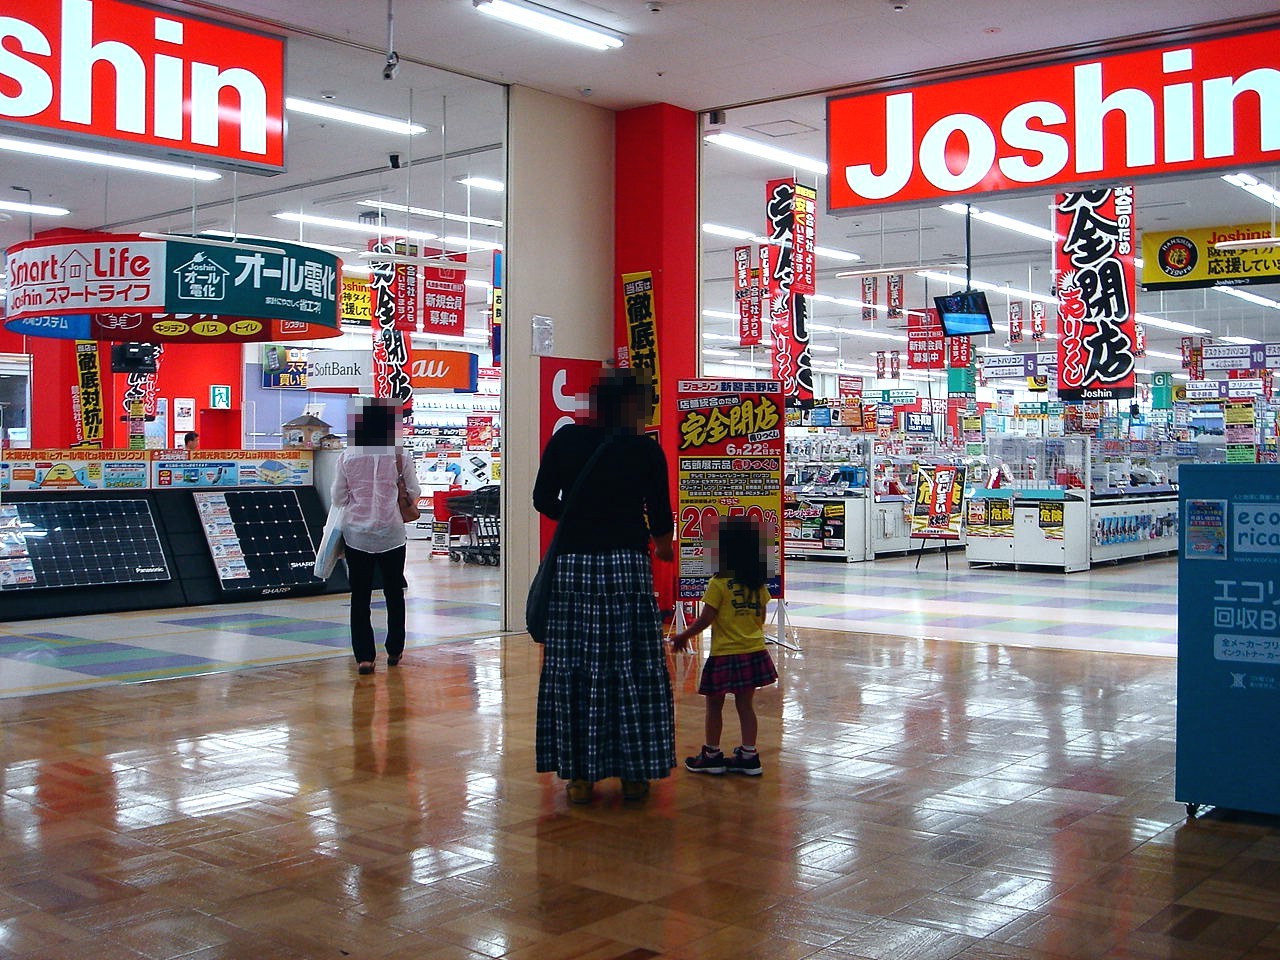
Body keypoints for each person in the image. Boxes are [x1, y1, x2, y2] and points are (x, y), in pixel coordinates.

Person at [532, 369, 676, 804]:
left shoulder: (567, 441)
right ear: (631, 405)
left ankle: (579, 776)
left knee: (575, 667)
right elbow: (662, 519)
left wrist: (579, 518)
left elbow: (542, 498)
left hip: (574, 568)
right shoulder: (644, 451)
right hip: (627, 570)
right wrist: (662, 547)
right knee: (631, 666)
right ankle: (636, 773)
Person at [670, 515, 778, 776]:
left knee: (714, 705)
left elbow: (707, 618)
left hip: (725, 654)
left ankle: (712, 755)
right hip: (753, 650)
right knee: (745, 705)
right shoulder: (757, 582)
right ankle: (749, 755)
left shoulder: (718, 583)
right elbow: (761, 617)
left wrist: (683, 636)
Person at [331, 397, 420, 676]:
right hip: (392, 535)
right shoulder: (399, 455)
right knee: (395, 593)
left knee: (360, 597)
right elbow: (414, 492)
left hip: (357, 536)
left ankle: (365, 658)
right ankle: (394, 649)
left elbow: (338, 496)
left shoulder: (347, 456)